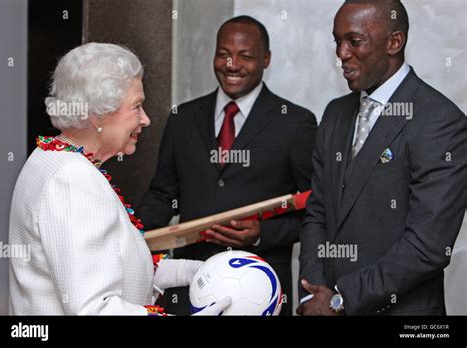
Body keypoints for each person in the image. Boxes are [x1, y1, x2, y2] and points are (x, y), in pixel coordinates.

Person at [9, 42, 230, 315]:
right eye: (136, 107)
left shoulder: (52, 157)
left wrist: (190, 271)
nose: (146, 119)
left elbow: (108, 266)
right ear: (96, 114)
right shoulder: (71, 178)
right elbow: (94, 309)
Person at [138, 16, 317, 315]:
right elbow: (162, 195)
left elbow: (316, 210)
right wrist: (128, 233)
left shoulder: (296, 123)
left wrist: (262, 233)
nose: (232, 64)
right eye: (224, 54)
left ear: (266, 59)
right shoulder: (182, 118)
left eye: (245, 56)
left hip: (261, 288)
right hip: (190, 285)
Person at [297, 0, 466, 316]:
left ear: (394, 42)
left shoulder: (440, 121)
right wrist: (311, 293)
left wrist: (341, 300)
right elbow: (317, 211)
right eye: (337, 41)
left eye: (354, 41)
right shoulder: (335, 114)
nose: (342, 53)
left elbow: (427, 246)